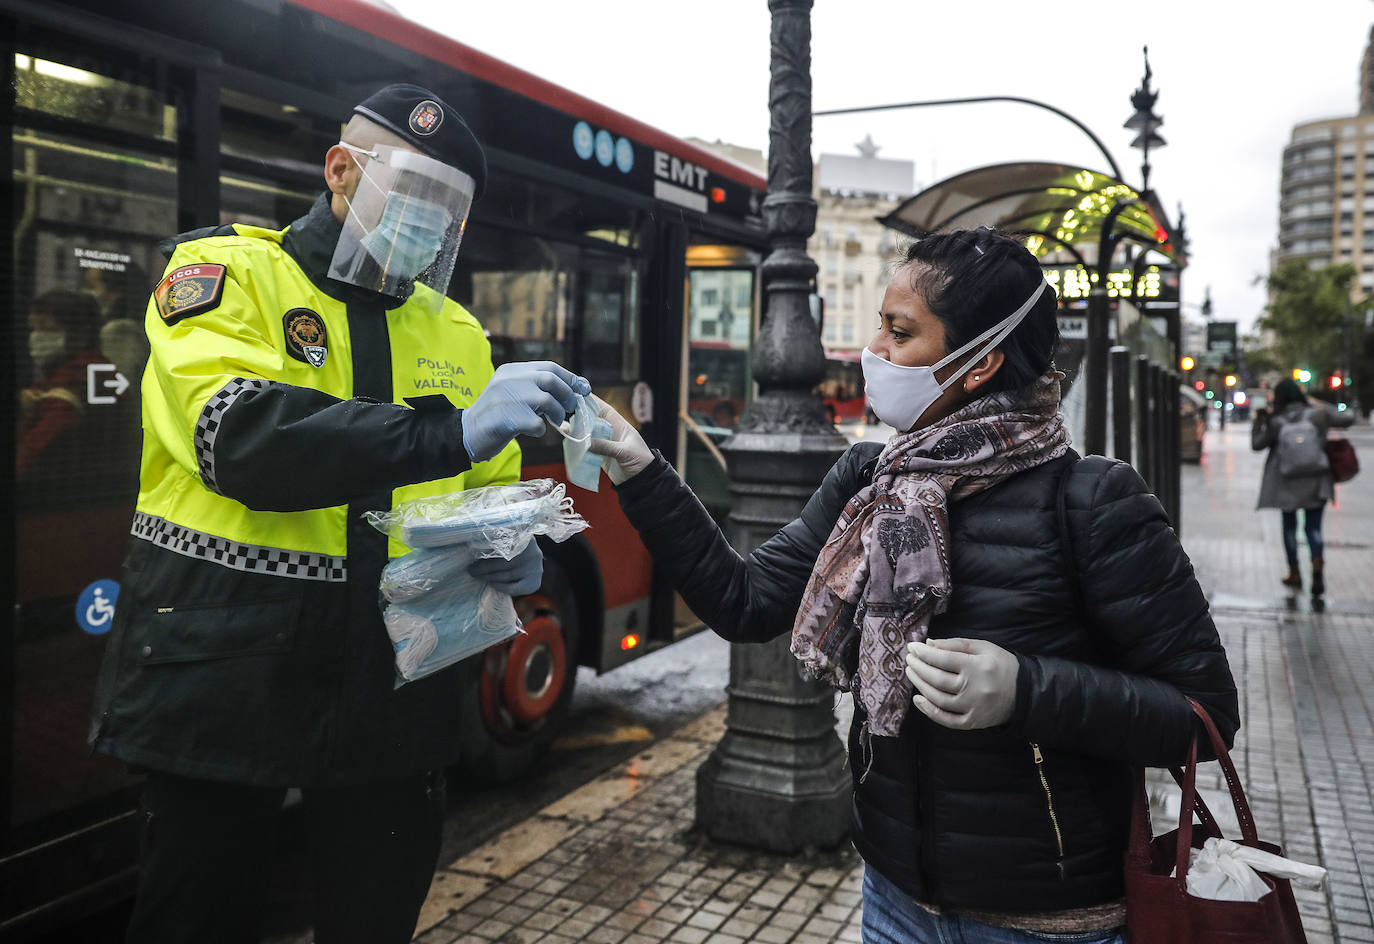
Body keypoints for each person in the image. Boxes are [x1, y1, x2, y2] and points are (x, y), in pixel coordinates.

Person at [587, 229, 1239, 943]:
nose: (877, 353)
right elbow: (744, 602)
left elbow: (1203, 716)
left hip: (1049, 921)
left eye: (900, 333)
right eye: (880, 327)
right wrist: (642, 472)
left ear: (981, 362)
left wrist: (1027, 690)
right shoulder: (869, 481)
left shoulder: (1092, 500)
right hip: (896, 898)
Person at [88, 84, 589, 944]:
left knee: (376, 921)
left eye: (449, 207)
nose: (431, 222)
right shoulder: (226, 277)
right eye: (415, 193)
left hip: (394, 698)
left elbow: (487, 487)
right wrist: (450, 432)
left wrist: (513, 546)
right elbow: (236, 436)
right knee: (195, 921)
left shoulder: (457, 333)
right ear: (342, 172)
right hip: (227, 680)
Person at [1251, 378, 1353, 595]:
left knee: (1289, 527)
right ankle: (1317, 570)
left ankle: (1295, 573)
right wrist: (1320, 403)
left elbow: (1257, 445)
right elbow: (1348, 418)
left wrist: (1259, 421)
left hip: (1286, 482)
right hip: (1317, 480)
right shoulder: (1317, 413)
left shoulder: (1277, 419)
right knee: (1313, 528)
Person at [17, 289, 104, 490]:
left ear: (78, 333)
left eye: (47, 329)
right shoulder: (60, 375)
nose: (36, 337)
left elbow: (29, 455)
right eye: (33, 329)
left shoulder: (75, 381)